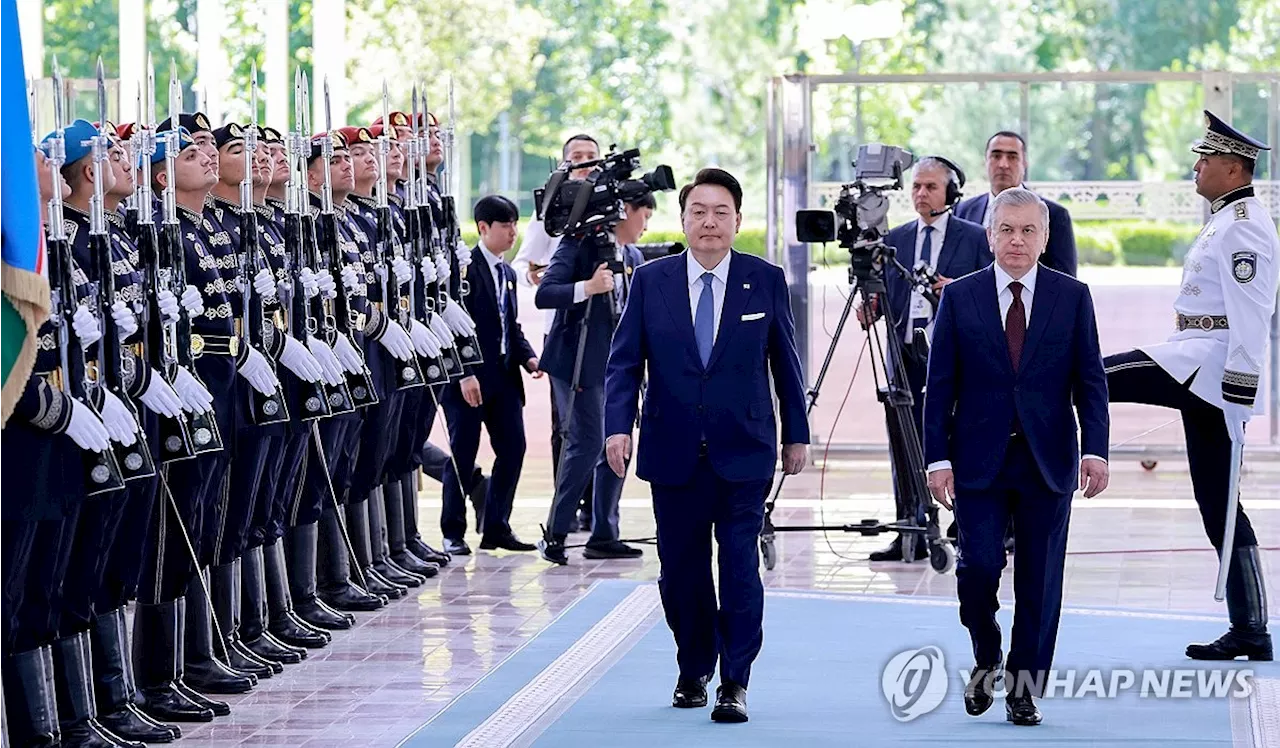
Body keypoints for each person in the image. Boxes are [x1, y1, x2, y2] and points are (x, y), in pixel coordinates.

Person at [604, 167, 809, 723]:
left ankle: (735, 681)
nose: (710, 222)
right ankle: (694, 667)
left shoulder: (763, 281)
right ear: (684, 218)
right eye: (699, 211)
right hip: (672, 452)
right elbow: (624, 362)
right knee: (682, 572)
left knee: (740, 566)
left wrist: (797, 433)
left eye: (721, 212)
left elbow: (785, 364)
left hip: (744, 451)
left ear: (737, 220)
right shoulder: (651, 281)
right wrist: (617, 427)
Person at [924, 187, 1110, 726]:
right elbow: (940, 388)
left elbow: (1090, 382)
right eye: (1006, 229)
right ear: (989, 234)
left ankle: (1023, 687)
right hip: (977, 460)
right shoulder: (960, 297)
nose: (1017, 240)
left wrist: (1095, 450)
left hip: (1049, 460)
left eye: (1029, 230)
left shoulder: (1072, 296)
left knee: (1040, 579)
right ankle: (987, 655)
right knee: (977, 568)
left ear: (1045, 237)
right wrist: (938, 459)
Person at [1104, 111, 1277, 662]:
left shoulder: (1244, 225)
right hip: (1194, 358)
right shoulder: (1228, 217)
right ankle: (1251, 629)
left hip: (1209, 366)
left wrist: (1242, 389)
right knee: (1217, 499)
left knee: (1090, 374)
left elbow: (1253, 313)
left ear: (1232, 168)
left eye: (1204, 160)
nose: (1196, 168)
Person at [858, 156, 991, 562]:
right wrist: (871, 308)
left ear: (950, 193)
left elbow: (991, 295)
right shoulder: (894, 239)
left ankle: (965, 529)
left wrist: (958, 291)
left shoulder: (974, 237)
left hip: (953, 360)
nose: (921, 194)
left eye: (930, 187)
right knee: (903, 444)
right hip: (903, 356)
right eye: (916, 186)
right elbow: (882, 299)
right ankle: (910, 531)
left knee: (960, 441)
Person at [535, 191, 652, 564]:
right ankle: (555, 531)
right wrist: (587, 288)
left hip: (617, 366)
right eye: (644, 215)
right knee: (585, 444)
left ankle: (604, 533)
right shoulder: (580, 244)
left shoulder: (631, 256)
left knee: (618, 444)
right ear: (625, 210)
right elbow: (545, 293)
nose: (645, 225)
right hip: (576, 361)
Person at [438, 195, 541, 553]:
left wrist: (528, 358)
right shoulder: (462, 269)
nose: (513, 232)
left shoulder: (507, 273)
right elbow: (452, 327)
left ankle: (497, 526)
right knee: (462, 454)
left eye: (515, 224)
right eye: (505, 225)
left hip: (504, 378)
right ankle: (453, 532)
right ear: (484, 228)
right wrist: (464, 373)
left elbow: (509, 326)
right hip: (469, 379)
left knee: (514, 448)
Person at [513, 133, 602, 532]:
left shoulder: (610, 207)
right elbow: (525, 266)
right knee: (566, 425)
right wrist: (539, 275)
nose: (584, 162)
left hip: (602, 327)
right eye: (576, 157)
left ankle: (595, 510)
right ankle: (564, 507)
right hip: (563, 327)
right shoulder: (549, 210)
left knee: (602, 422)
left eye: (591, 157)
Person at [955, 131, 1077, 277]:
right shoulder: (963, 211)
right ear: (985, 161)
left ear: (1025, 163)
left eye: (1012, 157)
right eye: (996, 156)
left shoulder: (1054, 215)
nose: (1003, 164)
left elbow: (1064, 279)